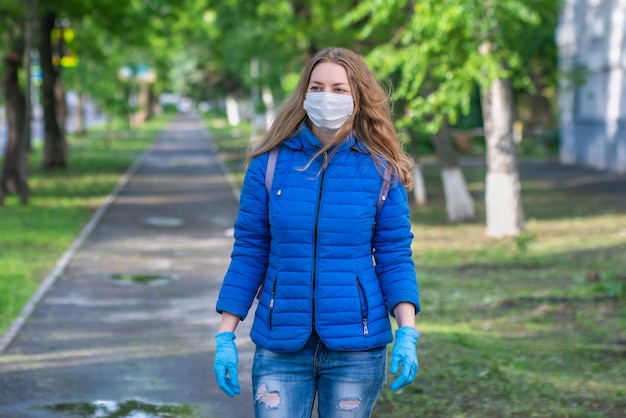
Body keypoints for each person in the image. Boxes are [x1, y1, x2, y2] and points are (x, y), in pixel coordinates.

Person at [214, 47, 421, 418]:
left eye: (340, 89)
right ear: (305, 94)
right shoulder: (269, 164)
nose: (328, 96)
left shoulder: (381, 171)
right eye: (318, 86)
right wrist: (225, 334)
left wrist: (407, 330)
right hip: (281, 345)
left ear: (357, 98)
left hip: (356, 348)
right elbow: (249, 251)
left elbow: (394, 256)